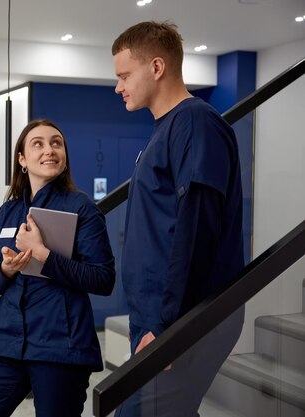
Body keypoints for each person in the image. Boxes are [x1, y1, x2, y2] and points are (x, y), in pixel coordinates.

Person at [112, 21, 245, 416]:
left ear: (156, 67)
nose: (118, 87)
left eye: (124, 76)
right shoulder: (164, 131)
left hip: (182, 318)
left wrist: (170, 326)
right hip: (159, 314)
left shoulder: (196, 123)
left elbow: (198, 227)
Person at [0, 120, 115, 417]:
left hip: (60, 347)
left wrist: (44, 255)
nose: (49, 150)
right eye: (38, 144)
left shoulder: (82, 208)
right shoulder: (8, 211)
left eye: (56, 143)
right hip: (6, 343)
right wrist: (5, 269)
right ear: (22, 159)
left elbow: (103, 279)